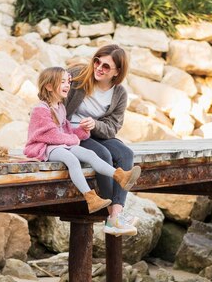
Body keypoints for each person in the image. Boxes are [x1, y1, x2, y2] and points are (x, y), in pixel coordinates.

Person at [24, 67, 141, 215]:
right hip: (45, 147)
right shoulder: (41, 109)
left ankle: (120, 176)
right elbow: (50, 135)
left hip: (60, 144)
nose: (68, 85)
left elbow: (65, 130)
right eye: (63, 82)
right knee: (72, 160)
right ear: (48, 86)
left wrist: (81, 132)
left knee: (90, 154)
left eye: (69, 81)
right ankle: (90, 197)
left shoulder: (60, 107)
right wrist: (73, 139)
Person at [66, 44, 138, 236]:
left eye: (106, 66)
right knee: (103, 154)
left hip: (97, 133)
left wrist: (95, 125)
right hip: (71, 132)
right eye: (97, 61)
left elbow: (113, 127)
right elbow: (50, 94)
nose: (99, 67)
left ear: (117, 71)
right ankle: (112, 218)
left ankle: (115, 214)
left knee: (125, 153)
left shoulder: (119, 93)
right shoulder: (77, 75)